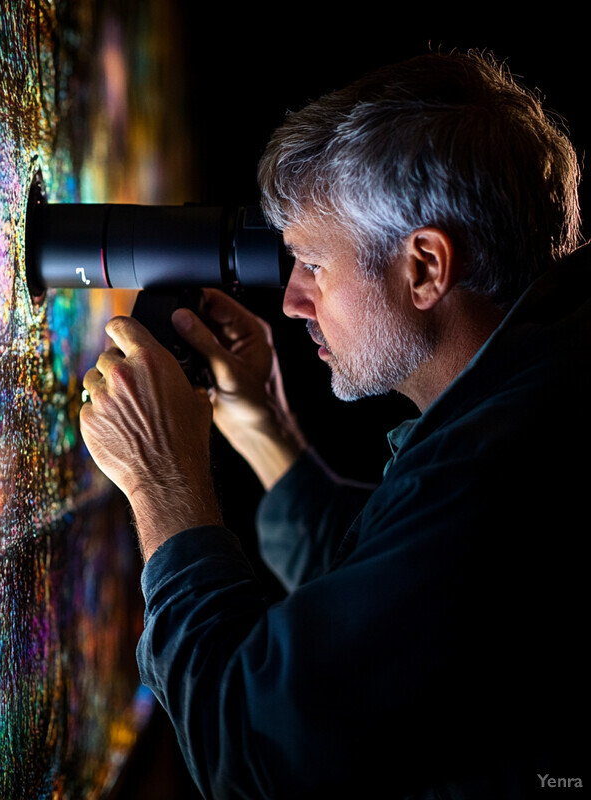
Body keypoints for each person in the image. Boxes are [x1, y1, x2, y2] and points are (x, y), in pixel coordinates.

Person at [80, 52, 588, 799]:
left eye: (314, 265)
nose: (290, 301)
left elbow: (251, 750)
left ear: (423, 267)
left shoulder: (503, 471)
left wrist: (165, 486)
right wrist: (263, 429)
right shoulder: (536, 388)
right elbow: (392, 579)